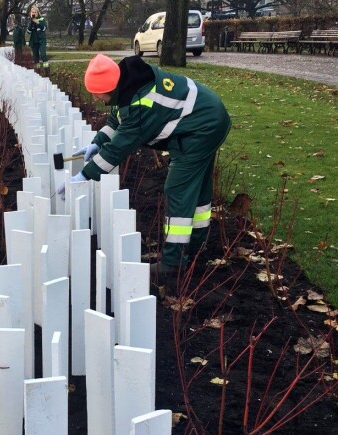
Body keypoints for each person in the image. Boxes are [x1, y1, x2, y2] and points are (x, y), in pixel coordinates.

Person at [58, 54, 231, 276]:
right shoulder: (128, 84)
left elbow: (118, 148)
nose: (93, 98)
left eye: (94, 93)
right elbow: (117, 120)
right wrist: (97, 142)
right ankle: (196, 247)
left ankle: (173, 263)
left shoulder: (142, 104)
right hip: (205, 119)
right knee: (197, 188)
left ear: (106, 88)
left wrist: (84, 175)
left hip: (202, 129)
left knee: (178, 189)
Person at [27, 6, 48, 72]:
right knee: (35, 57)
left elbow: (44, 28)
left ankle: (46, 69)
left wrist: (38, 22)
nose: (34, 13)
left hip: (41, 40)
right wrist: (31, 23)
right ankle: (38, 70)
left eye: (35, 12)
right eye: (32, 12)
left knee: (43, 55)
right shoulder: (30, 21)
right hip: (34, 41)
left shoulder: (41, 19)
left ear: (38, 13)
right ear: (31, 13)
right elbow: (28, 32)